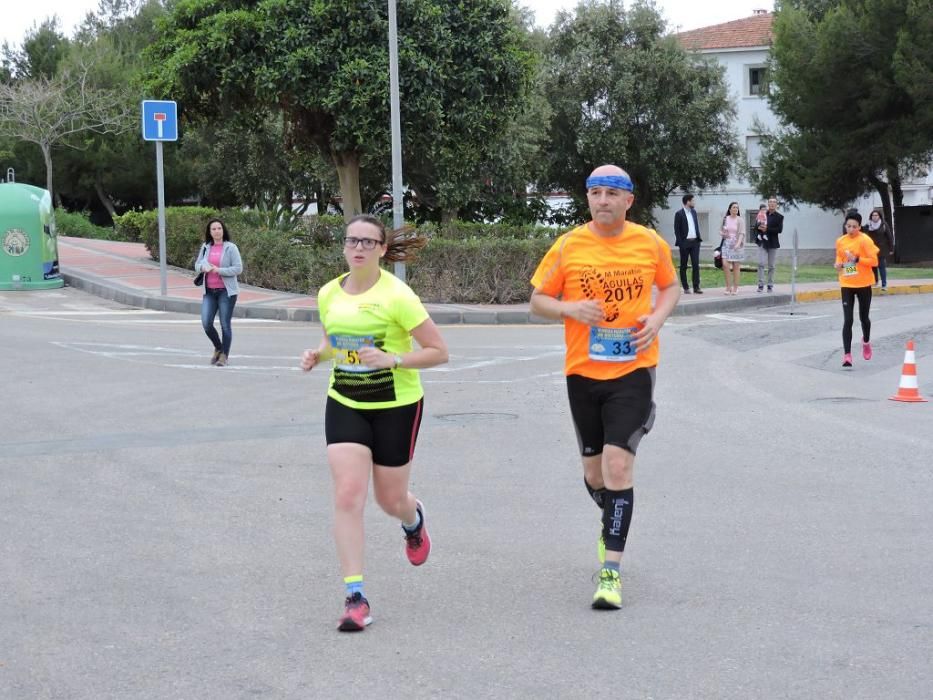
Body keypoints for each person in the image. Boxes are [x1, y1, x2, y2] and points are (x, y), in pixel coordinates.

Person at [529, 164, 680, 610]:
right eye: (596, 192)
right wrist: (571, 308)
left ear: (628, 201)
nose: (603, 200)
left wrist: (656, 318)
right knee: (595, 475)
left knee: (618, 468)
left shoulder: (649, 243)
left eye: (613, 193)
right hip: (583, 371)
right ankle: (613, 515)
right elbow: (537, 300)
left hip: (634, 370)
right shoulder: (569, 245)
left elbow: (670, 288)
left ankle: (610, 572)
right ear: (588, 198)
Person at [300, 214, 449, 632]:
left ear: (382, 249)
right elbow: (334, 342)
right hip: (345, 400)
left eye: (368, 242)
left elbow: (440, 351)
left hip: (396, 405)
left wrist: (395, 359)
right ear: (344, 247)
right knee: (348, 493)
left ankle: (413, 520)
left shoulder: (398, 296)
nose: (359, 248)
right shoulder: (329, 293)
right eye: (352, 241)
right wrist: (318, 355)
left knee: (390, 500)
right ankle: (355, 597)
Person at [194, 218, 243, 366]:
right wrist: (203, 268)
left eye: (219, 228)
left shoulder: (231, 248)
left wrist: (218, 270)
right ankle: (218, 347)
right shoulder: (205, 247)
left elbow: (238, 268)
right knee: (206, 323)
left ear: (223, 230)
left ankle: (224, 356)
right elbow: (197, 265)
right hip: (209, 291)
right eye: (213, 229)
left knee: (225, 324)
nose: (217, 231)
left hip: (226, 292)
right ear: (209, 232)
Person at [834, 211, 879, 368]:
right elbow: (839, 257)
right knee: (848, 320)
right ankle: (847, 355)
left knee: (864, 318)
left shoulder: (865, 240)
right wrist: (838, 264)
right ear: (845, 226)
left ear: (860, 227)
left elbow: (874, 261)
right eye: (848, 226)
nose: (851, 229)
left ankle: (866, 341)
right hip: (847, 283)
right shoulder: (840, 241)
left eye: (854, 226)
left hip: (864, 283)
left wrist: (857, 259)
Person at [673, 193, 703, 294]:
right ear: (688, 202)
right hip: (684, 243)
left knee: (695, 264)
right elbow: (677, 230)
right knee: (683, 265)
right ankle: (685, 287)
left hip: (695, 242)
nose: (694, 202)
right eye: (693, 201)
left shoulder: (694, 212)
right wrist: (681, 243)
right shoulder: (679, 214)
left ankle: (696, 286)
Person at [755, 197, 783, 292]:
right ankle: (760, 285)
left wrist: (767, 229)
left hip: (773, 243)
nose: (771, 204)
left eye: (773, 202)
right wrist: (760, 227)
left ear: (776, 204)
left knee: (771, 266)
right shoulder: (763, 213)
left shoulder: (779, 217)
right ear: (768, 204)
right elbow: (756, 226)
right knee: (761, 263)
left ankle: (770, 285)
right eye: (770, 202)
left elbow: (779, 230)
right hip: (763, 242)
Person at [864, 210, 894, 291]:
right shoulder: (868, 225)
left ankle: (884, 284)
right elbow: (864, 236)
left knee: (882, 267)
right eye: (873, 215)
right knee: (873, 266)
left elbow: (889, 237)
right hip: (871, 249)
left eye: (876, 215)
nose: (875, 217)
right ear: (871, 216)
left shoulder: (883, 224)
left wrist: (891, 248)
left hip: (882, 249)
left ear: (879, 216)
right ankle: (875, 281)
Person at [720, 201, 746, 295]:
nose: (735, 209)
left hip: (736, 245)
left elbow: (742, 233)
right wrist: (722, 233)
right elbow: (721, 230)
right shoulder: (725, 218)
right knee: (725, 265)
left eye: (737, 208)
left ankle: (735, 287)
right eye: (734, 207)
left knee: (736, 266)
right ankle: (728, 287)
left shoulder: (740, 220)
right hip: (726, 244)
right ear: (730, 209)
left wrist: (738, 244)